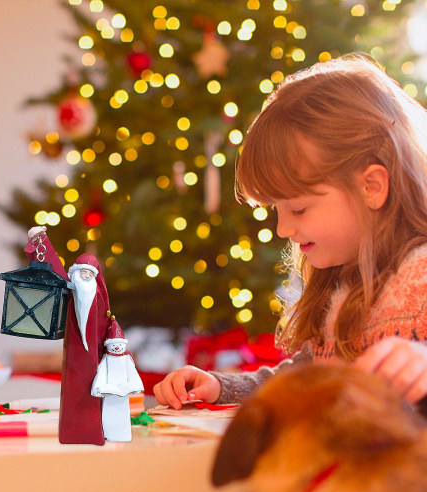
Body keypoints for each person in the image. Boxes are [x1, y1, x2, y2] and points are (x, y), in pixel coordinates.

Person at [154, 54, 427, 410]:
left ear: (371, 186)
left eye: (298, 208)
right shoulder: (343, 284)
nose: (284, 228)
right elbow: (302, 381)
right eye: (277, 211)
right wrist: (222, 387)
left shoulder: (420, 277)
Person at [25, 226, 111, 445]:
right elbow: (52, 272)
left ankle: (94, 434)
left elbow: (111, 325)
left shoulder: (99, 299)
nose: (83, 279)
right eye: (80, 274)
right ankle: (72, 434)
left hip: (94, 359)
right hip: (74, 359)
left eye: (88, 275)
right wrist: (38, 241)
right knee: (74, 400)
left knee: (93, 401)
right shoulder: (72, 292)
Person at [91, 319, 144, 442]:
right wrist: (99, 387)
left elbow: (132, 373)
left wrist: (135, 385)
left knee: (123, 414)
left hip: (124, 390)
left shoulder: (126, 359)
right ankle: (109, 434)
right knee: (109, 414)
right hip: (110, 391)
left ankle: (123, 434)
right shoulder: (106, 359)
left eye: (119, 345)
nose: (116, 347)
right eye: (114, 344)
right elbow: (102, 373)